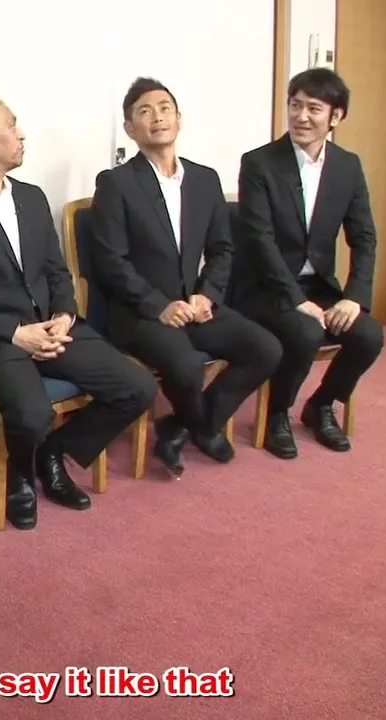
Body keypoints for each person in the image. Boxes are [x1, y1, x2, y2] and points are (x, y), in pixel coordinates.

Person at [0, 96, 157, 529]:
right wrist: (14, 333)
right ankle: (20, 477)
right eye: (12, 126)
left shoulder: (31, 197)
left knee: (137, 387)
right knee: (31, 412)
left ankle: (54, 452)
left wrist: (63, 314)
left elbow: (56, 271)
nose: (22, 134)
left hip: (50, 326)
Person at [92, 78, 282, 477]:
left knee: (266, 348)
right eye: (144, 111)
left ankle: (183, 424)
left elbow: (222, 250)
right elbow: (111, 261)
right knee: (184, 364)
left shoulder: (205, 179)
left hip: (195, 306)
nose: (157, 117)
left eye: (165, 108)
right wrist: (159, 305)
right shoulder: (116, 184)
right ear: (130, 128)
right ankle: (201, 427)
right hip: (141, 313)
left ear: (179, 119)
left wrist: (206, 295)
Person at [234, 68, 384, 459]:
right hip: (264, 287)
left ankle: (321, 404)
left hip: (317, 285)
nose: (301, 116)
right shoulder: (260, 163)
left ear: (336, 116)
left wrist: (354, 297)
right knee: (305, 332)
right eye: (295, 105)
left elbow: (364, 236)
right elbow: (259, 240)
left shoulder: (347, 166)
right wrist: (295, 300)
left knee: (368, 335)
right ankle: (277, 412)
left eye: (314, 108)